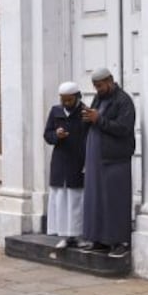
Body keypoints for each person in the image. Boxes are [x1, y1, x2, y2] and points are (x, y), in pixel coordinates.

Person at [81, 67, 135, 258]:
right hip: (97, 158)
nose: (98, 89)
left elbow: (124, 129)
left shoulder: (124, 100)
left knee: (115, 201)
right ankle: (100, 240)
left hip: (115, 159)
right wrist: (87, 118)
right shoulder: (99, 98)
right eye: (95, 86)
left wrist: (99, 119)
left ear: (110, 80)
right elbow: (94, 120)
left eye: (100, 85)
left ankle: (120, 242)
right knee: (97, 200)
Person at [44, 81, 88, 249]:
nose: (66, 103)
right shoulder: (55, 112)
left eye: (69, 100)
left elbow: (89, 137)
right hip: (60, 162)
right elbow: (47, 134)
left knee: (77, 200)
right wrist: (56, 135)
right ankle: (63, 235)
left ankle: (78, 236)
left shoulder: (85, 113)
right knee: (61, 201)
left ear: (77, 97)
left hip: (78, 162)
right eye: (63, 100)